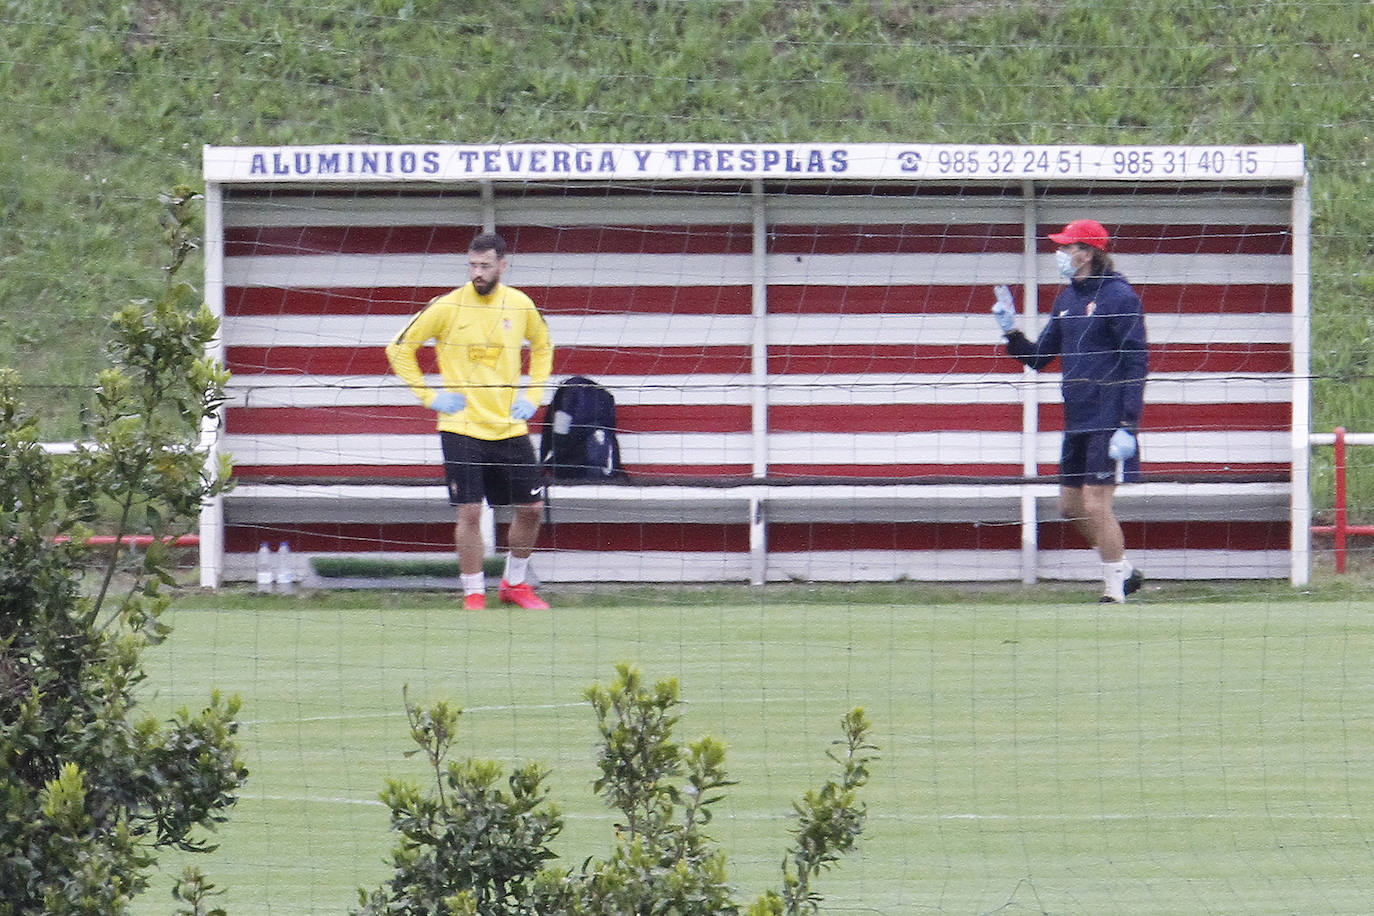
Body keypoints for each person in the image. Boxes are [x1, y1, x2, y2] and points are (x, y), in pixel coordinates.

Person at [386, 232, 554, 610]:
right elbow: (398, 349)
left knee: (532, 509)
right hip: (461, 427)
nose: (478, 273)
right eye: (473, 266)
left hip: (509, 426)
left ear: (502, 266)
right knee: (471, 510)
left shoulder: (520, 304)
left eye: (485, 266)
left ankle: (514, 584)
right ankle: (474, 592)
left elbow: (543, 346)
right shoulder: (446, 306)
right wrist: (429, 396)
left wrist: (532, 397)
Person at [991, 218, 1148, 603]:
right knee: (1071, 506)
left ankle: (1113, 590)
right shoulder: (1067, 300)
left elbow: (1136, 361)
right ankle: (1124, 569)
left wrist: (1128, 423)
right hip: (1077, 419)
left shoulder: (1119, 297)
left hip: (1109, 420)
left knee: (1096, 503)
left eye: (1067, 247)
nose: (1060, 253)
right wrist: (1010, 331)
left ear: (1088, 252)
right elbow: (1040, 357)